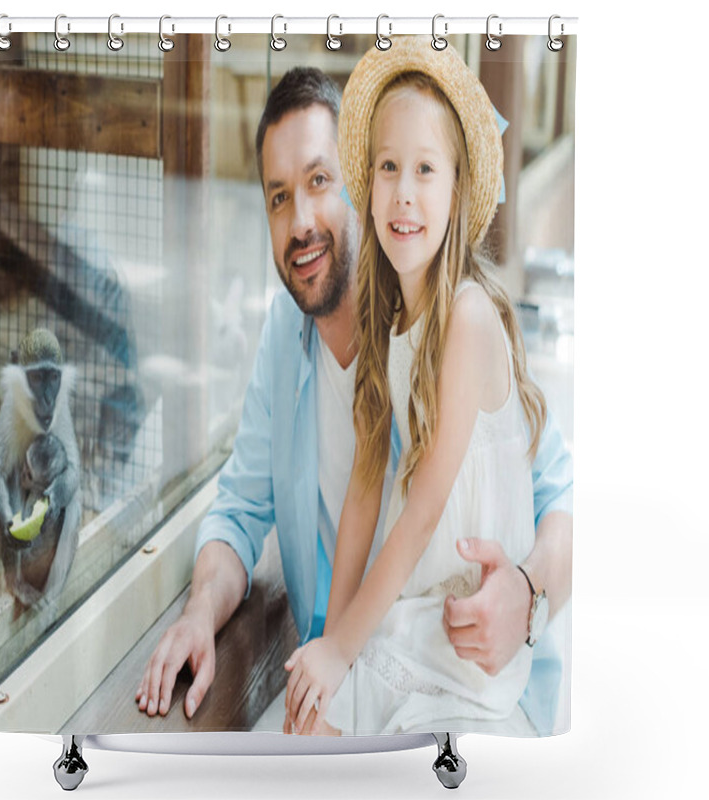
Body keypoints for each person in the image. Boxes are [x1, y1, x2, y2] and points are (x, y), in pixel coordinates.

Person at [135, 57, 573, 735]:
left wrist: (529, 590)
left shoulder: (461, 320)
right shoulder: (291, 338)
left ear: (352, 186)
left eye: (318, 180)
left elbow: (558, 497)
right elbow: (241, 506)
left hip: (468, 658)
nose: (302, 218)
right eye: (279, 196)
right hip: (365, 645)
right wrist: (201, 613)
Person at [283, 37, 566, 737]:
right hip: (417, 610)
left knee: (333, 732)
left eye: (425, 169)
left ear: (457, 190)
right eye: (387, 167)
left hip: (465, 628)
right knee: (308, 722)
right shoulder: (390, 320)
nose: (403, 192)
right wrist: (331, 649)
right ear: (368, 185)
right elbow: (363, 490)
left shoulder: (468, 317)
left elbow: (425, 509)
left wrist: (345, 649)